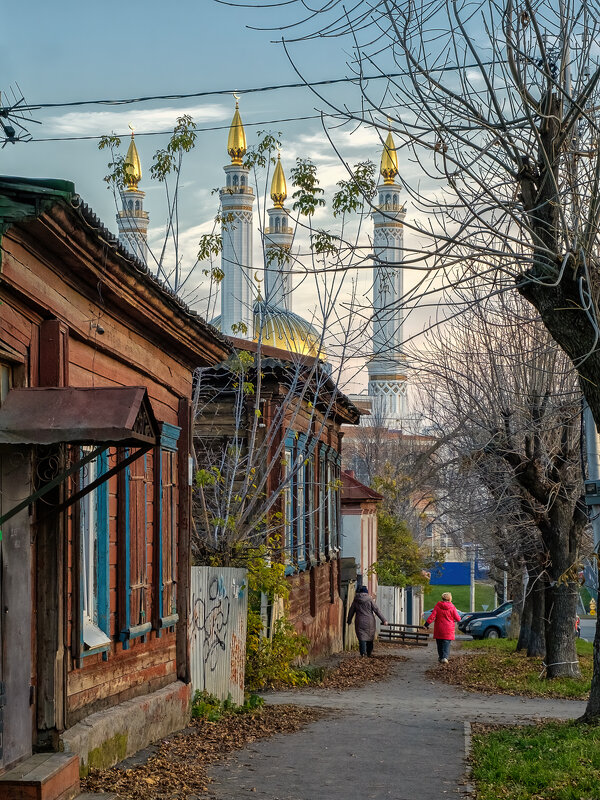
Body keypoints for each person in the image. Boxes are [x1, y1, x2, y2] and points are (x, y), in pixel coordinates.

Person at [347, 585, 388, 657]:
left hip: (359, 621)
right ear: (366, 592)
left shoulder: (356, 600)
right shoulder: (370, 600)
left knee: (361, 637)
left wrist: (349, 620)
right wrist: (384, 620)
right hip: (370, 621)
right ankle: (369, 652)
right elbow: (377, 610)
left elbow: (351, 611)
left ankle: (363, 653)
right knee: (370, 636)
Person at [424, 592, 462, 664]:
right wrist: (459, 619)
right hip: (448, 629)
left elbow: (432, 616)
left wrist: (426, 624)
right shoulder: (452, 607)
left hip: (439, 628)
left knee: (439, 643)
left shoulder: (438, 606)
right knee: (446, 643)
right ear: (450, 598)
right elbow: (458, 618)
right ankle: (445, 657)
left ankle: (441, 657)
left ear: (442, 598)